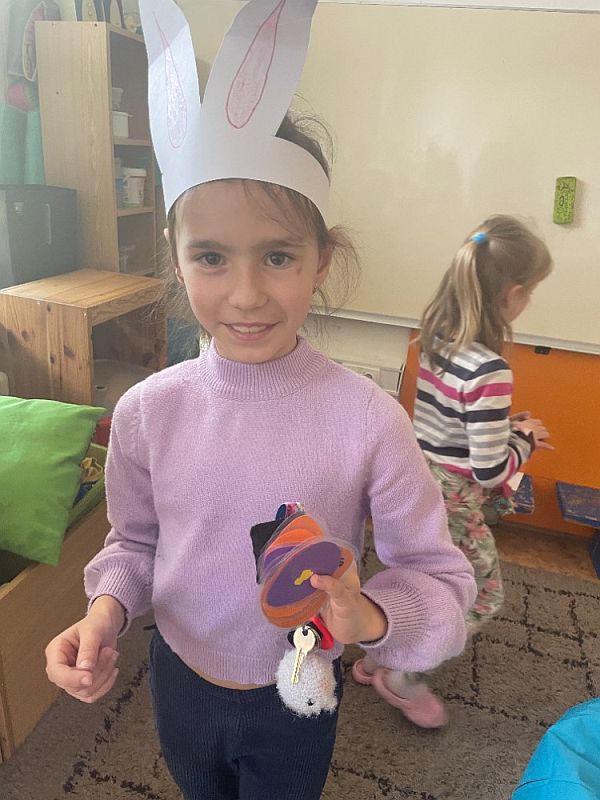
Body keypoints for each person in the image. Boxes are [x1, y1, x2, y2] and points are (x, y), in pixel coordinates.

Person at [45, 1, 476, 798]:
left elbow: (440, 582)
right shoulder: (146, 412)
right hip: (178, 679)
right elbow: (134, 545)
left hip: (299, 687)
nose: (245, 294)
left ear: (321, 259)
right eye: (211, 257)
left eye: (277, 256)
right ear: (176, 259)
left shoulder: (367, 420)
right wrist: (104, 611)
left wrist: (372, 618)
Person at [352, 215, 553, 729]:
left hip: (419, 480)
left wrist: (506, 425)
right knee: (480, 596)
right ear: (512, 294)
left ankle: (377, 655)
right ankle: (405, 672)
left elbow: (454, 425)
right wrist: (525, 441)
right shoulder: (490, 368)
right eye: (530, 292)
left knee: (420, 577)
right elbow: (488, 470)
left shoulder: (437, 339)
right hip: (456, 499)